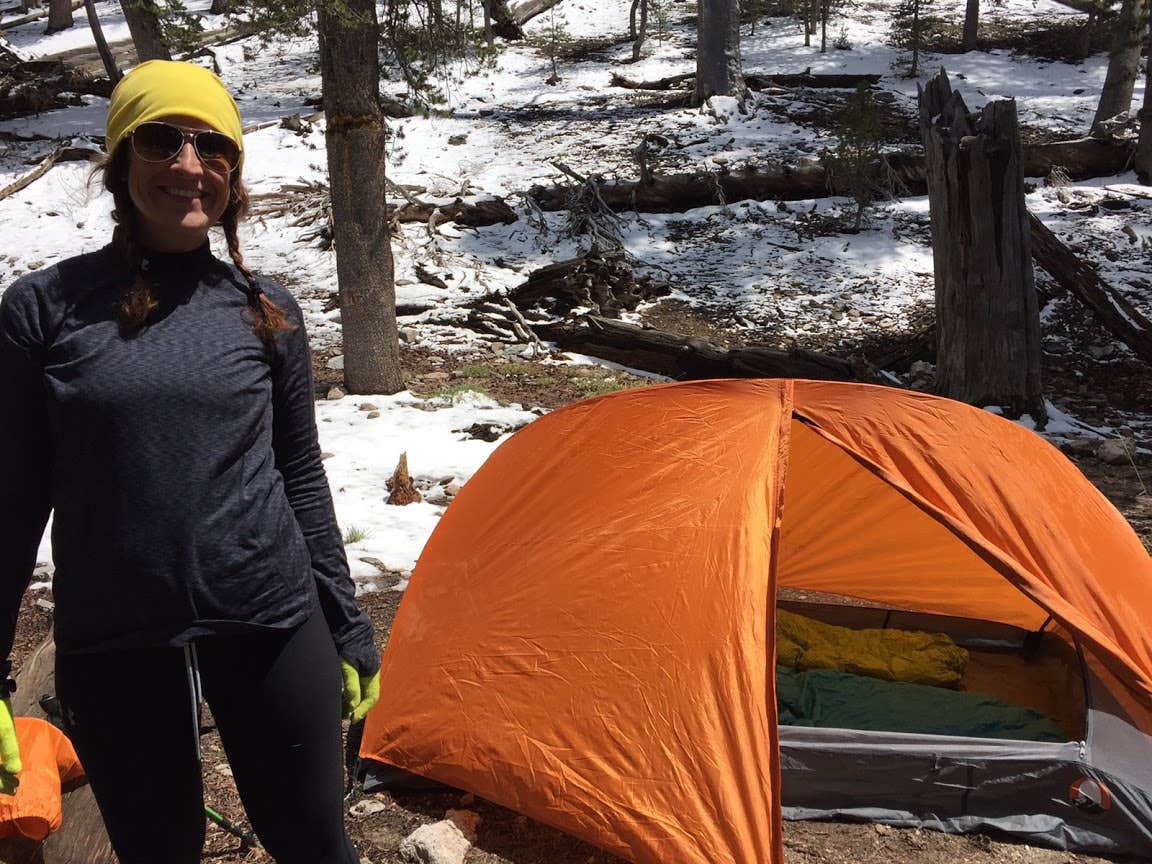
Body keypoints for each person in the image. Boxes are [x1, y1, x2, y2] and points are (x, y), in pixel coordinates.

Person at [0, 60, 380, 863]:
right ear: (119, 161)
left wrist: (348, 624)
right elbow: (15, 496)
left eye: (213, 147)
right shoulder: (43, 309)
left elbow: (300, 473)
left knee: (315, 842)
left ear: (233, 175)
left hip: (271, 614)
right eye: (160, 140)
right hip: (115, 634)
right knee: (159, 851)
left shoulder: (265, 308)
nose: (187, 164)